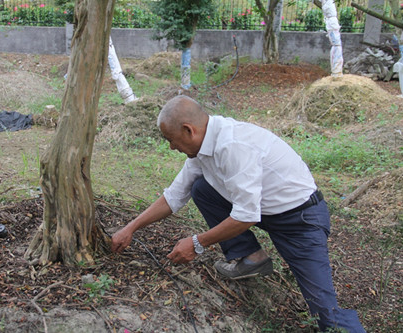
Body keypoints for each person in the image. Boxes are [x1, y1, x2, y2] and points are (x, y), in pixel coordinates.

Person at [111, 95, 365, 332]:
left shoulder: (232, 146)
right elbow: (175, 195)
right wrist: (130, 228)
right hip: (264, 210)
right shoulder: (202, 147)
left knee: (326, 314)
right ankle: (252, 258)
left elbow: (246, 216)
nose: (171, 147)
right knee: (201, 189)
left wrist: (197, 243)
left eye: (171, 139)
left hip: (299, 220)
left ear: (189, 130)